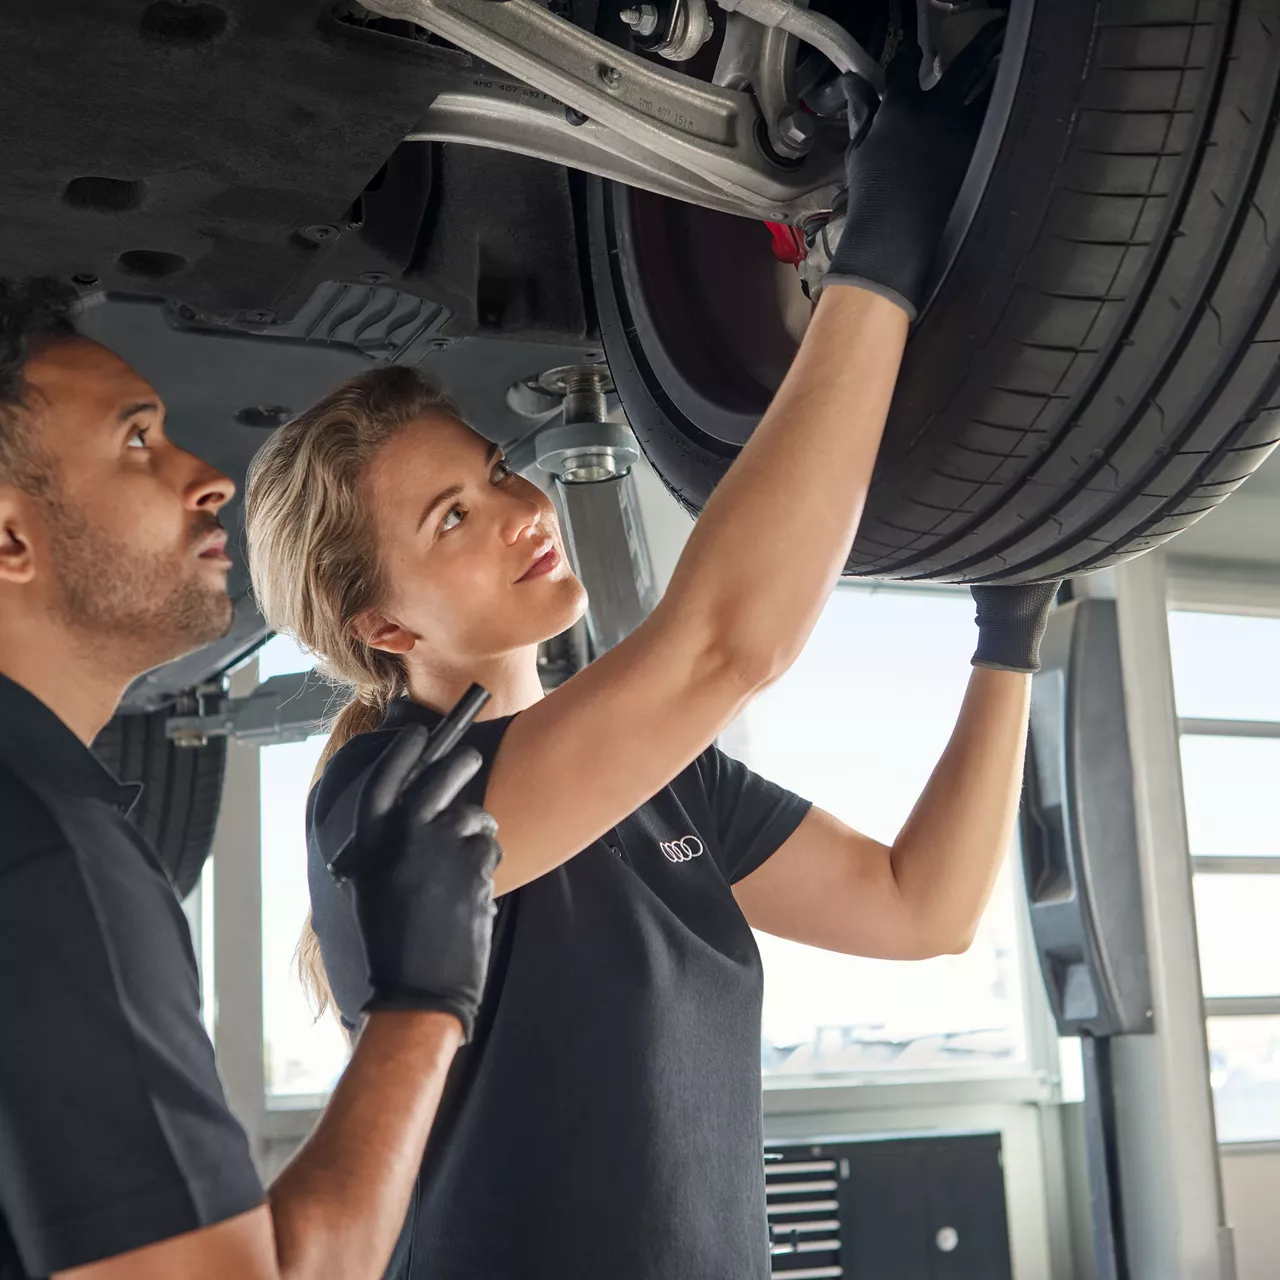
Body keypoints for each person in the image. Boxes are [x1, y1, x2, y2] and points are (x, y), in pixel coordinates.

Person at [245, 42, 1057, 1280]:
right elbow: (728, 643)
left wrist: (1008, 635)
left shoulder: (667, 783)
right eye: (450, 519)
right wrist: (879, 256)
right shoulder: (390, 805)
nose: (520, 508)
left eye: (495, 470)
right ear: (385, 629)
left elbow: (921, 905)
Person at [0, 277, 503, 1280]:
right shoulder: (49, 857)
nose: (210, 476)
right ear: (9, 538)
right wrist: (422, 994)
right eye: (138, 440)